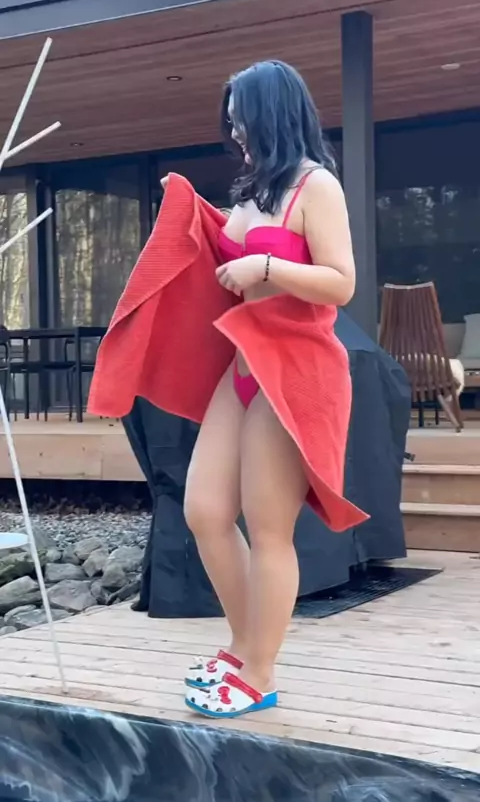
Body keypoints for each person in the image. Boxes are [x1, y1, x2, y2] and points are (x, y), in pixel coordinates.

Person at [182, 61, 357, 718]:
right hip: (243, 361)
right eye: (230, 124)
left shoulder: (317, 186)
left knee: (268, 528)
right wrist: (186, 213)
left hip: (295, 367)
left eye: (243, 121)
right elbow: (218, 252)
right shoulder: (253, 192)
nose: (236, 134)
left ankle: (259, 672)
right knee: (204, 510)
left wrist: (267, 265)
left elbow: (342, 283)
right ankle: (242, 644)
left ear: (273, 116)